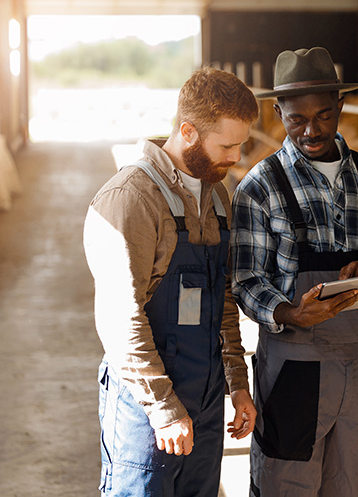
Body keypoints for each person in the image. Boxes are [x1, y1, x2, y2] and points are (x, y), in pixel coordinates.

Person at [231, 47, 358, 496]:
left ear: (340, 107)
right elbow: (245, 280)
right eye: (296, 119)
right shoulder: (260, 186)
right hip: (292, 369)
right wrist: (286, 313)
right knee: (284, 483)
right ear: (278, 112)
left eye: (323, 116)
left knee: (350, 484)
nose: (311, 130)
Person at [83, 67, 259, 496]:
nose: (236, 158)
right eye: (227, 145)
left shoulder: (216, 195)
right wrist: (163, 408)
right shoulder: (132, 198)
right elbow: (120, 318)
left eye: (240, 145)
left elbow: (224, 300)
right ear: (188, 131)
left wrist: (237, 383)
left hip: (206, 392)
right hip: (146, 403)